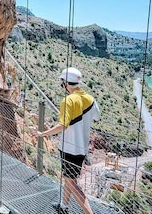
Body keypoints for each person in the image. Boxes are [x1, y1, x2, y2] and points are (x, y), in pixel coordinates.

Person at [37, 67, 100, 214]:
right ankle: (63, 205)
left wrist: (43, 134)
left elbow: (62, 125)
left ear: (65, 83)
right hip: (82, 148)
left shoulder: (68, 101)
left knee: (71, 183)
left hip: (69, 149)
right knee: (69, 178)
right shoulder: (90, 99)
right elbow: (97, 117)